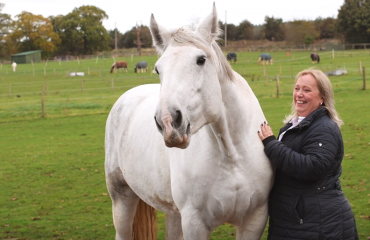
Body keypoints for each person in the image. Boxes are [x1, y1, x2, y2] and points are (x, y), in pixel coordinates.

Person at [258, 68, 359, 239]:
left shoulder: (324, 128)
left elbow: (312, 168)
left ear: (322, 98)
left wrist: (271, 144)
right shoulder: (294, 125)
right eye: (297, 88)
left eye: (307, 90)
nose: (299, 94)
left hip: (319, 223)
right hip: (296, 219)